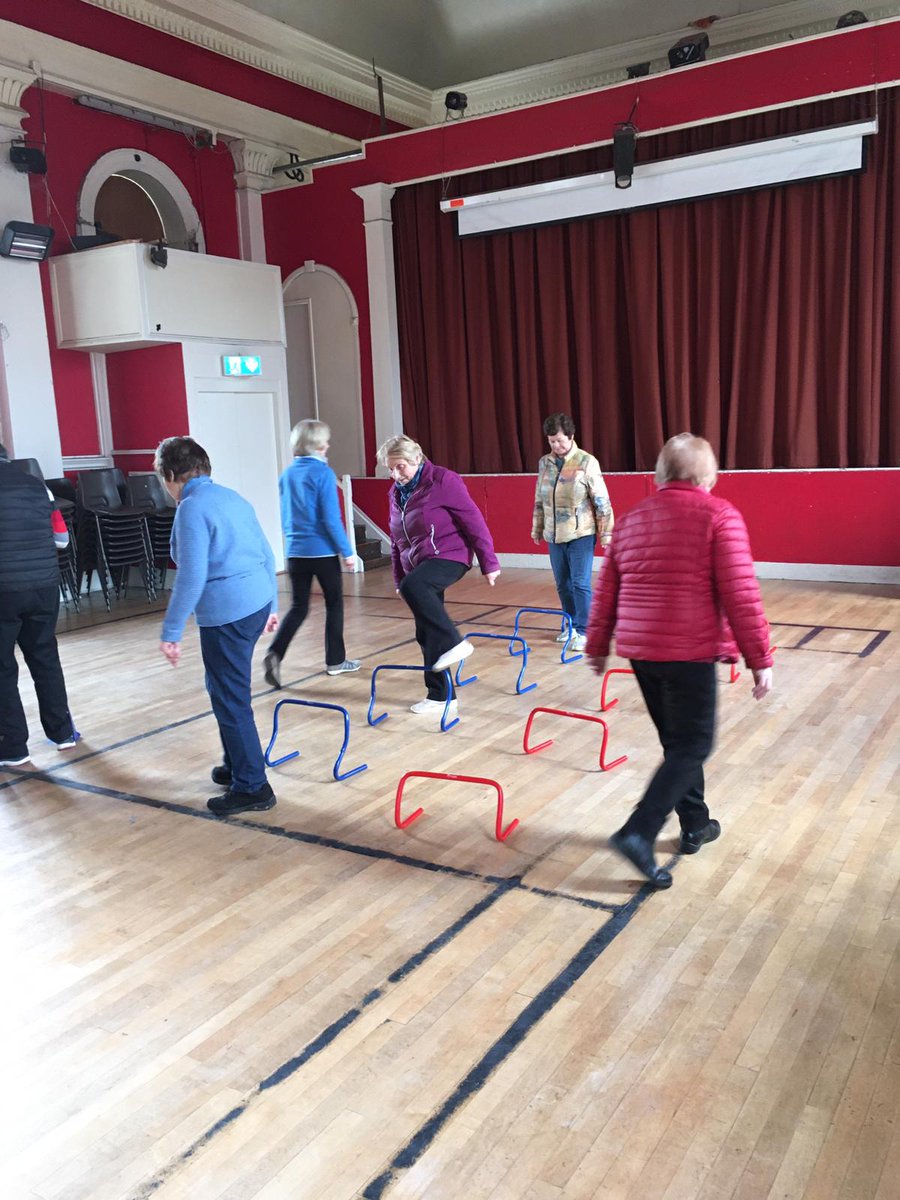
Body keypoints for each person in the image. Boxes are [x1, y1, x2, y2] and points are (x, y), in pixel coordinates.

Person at [585, 433, 773, 889]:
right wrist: (760, 658)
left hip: (642, 652)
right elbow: (741, 592)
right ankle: (639, 831)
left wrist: (597, 645)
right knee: (693, 745)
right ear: (708, 476)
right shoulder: (719, 515)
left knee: (678, 743)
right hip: (688, 650)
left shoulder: (631, 519)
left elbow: (607, 588)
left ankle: (695, 824)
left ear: (661, 475)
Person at [156, 437, 279, 817]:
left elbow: (191, 575)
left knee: (230, 698)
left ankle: (253, 787)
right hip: (256, 603)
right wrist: (273, 606)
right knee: (223, 688)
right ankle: (237, 764)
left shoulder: (191, 508)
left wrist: (171, 631)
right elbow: (267, 554)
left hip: (228, 614)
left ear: (171, 475)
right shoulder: (232, 498)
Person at [379, 435, 501, 717]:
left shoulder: (444, 481)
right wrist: (399, 579)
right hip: (419, 564)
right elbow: (397, 539)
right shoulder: (396, 493)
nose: (395, 475)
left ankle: (455, 641)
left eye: (400, 467)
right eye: (390, 469)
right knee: (425, 630)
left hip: (450, 555)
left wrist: (489, 562)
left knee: (416, 588)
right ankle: (440, 696)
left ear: (417, 459)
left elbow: (473, 520)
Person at [263, 419, 359, 688]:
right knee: (334, 604)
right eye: (324, 441)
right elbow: (331, 519)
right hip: (322, 553)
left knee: (299, 607)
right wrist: (347, 552)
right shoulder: (323, 474)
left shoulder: (287, 475)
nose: (327, 445)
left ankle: (275, 652)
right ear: (316, 445)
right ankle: (335, 661)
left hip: (295, 553)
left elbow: (287, 516)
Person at [0, 442, 78, 767]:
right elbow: (62, 539)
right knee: (45, 659)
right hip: (45, 587)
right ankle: (63, 733)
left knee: (3, 669)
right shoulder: (37, 486)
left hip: (4, 589)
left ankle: (13, 748)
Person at [532, 412, 614, 652]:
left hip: (581, 533)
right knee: (563, 584)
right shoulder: (544, 463)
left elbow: (602, 501)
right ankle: (570, 625)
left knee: (580, 583)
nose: (556, 446)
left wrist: (606, 533)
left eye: (560, 440)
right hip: (554, 534)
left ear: (571, 436)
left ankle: (584, 630)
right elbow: (539, 499)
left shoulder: (586, 462)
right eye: (551, 441)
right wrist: (537, 528)